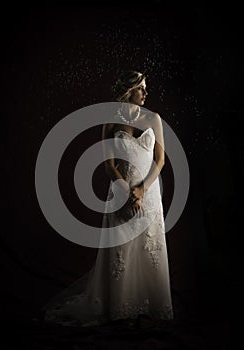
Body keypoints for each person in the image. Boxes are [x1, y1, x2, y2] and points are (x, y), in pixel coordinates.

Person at [42, 70, 173, 327]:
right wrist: (126, 192)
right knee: (122, 251)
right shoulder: (110, 121)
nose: (146, 93)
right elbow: (109, 166)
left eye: (146, 88)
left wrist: (142, 191)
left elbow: (160, 160)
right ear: (129, 90)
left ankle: (152, 303)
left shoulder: (153, 118)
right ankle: (120, 307)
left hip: (148, 194)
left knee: (149, 248)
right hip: (121, 193)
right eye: (141, 88)